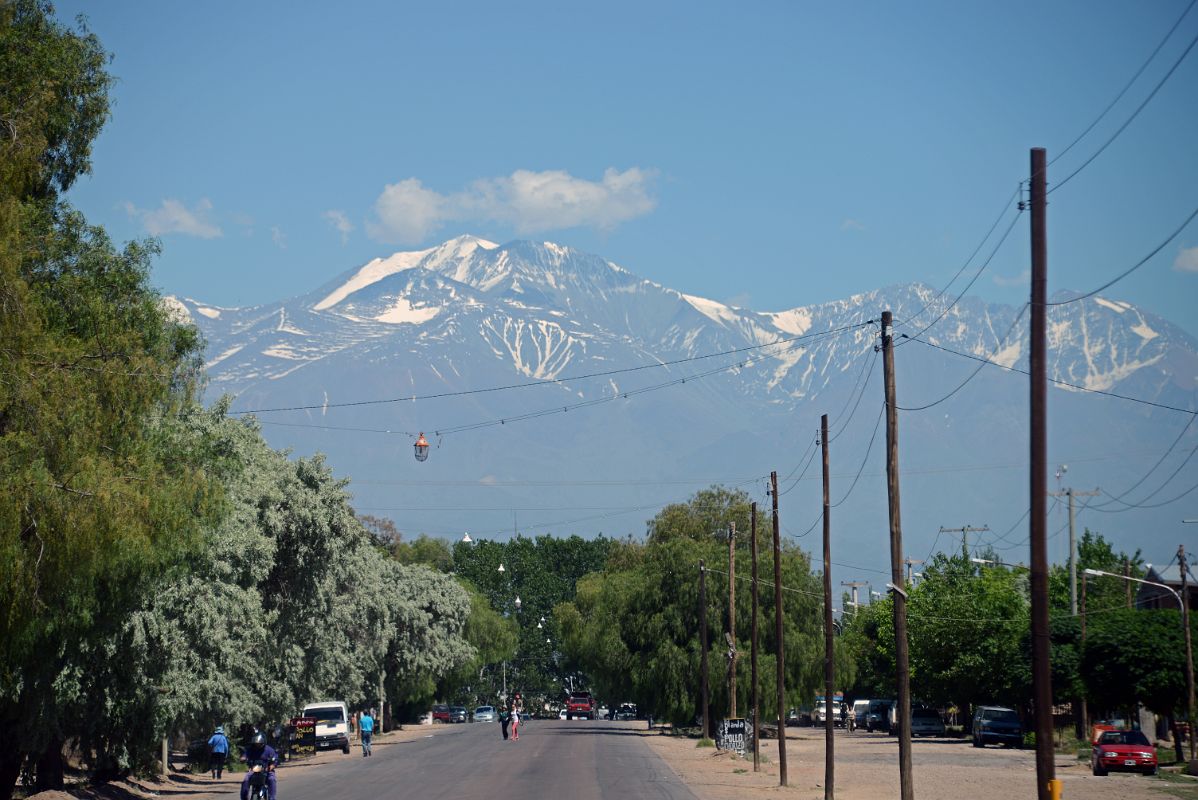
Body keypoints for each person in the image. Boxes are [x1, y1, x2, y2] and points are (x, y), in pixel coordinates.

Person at [239, 732, 278, 800]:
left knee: (271, 779)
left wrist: (271, 766)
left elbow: (275, 760)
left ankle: (272, 798)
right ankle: (244, 798)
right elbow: (244, 756)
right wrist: (243, 758)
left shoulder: (269, 750)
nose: (257, 745)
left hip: (266, 770)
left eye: (259, 744)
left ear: (263, 742)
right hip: (253, 770)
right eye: (256, 744)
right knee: (245, 780)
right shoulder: (250, 749)